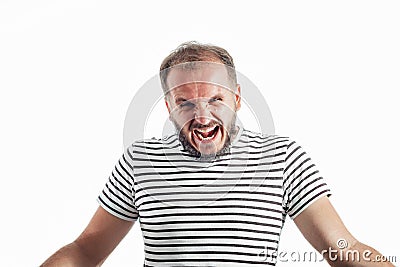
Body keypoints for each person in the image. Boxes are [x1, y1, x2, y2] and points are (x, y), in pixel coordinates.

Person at [41, 41, 394, 267]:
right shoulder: (140, 161)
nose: (203, 115)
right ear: (168, 107)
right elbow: (86, 251)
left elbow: (343, 250)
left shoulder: (282, 157)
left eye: (216, 99)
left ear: (237, 99)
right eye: (186, 103)